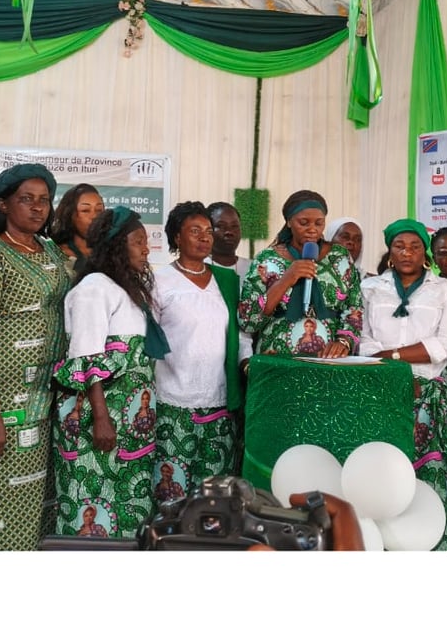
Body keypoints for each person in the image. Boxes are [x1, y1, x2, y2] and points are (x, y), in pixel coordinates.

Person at [0, 163, 71, 551]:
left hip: (46, 402)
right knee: (3, 516)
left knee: (41, 516)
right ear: (3, 204)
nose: (38, 208)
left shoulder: (49, 248)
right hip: (3, 407)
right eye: (27, 199)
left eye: (45, 200)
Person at [359, 218, 447, 550]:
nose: (407, 252)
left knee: (428, 470)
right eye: (399, 246)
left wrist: (392, 357)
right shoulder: (370, 288)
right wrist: (393, 369)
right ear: (390, 251)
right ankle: (383, 539)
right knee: (385, 468)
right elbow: (362, 340)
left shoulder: (444, 289)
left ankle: (436, 539)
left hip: (428, 391)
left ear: (425, 252)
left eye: (414, 246)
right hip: (380, 388)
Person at [53, 206, 167, 538]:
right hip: (100, 421)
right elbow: (86, 358)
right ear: (117, 245)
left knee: (127, 503)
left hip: (130, 424)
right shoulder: (94, 288)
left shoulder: (128, 290)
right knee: (92, 500)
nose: (146, 249)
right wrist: (101, 420)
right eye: (138, 241)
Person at [154, 201, 253, 498]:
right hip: (172, 404)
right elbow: (148, 340)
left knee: (215, 497)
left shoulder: (226, 280)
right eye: (194, 231)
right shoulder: (159, 280)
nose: (204, 237)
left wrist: (248, 363)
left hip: (219, 404)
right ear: (177, 237)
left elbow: (241, 334)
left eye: (208, 231)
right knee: (172, 495)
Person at [239, 190, 362, 358]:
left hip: (328, 360)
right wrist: (287, 279)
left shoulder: (340, 257)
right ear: (289, 222)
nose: (312, 229)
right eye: (303, 223)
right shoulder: (266, 259)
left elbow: (354, 307)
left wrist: (344, 342)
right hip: (277, 358)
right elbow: (247, 320)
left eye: (319, 223)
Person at [52, 183, 105, 275]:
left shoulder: (112, 250)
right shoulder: (59, 254)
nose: (94, 216)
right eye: (85, 210)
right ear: (69, 214)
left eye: (99, 210)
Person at [206, 201, 251, 282]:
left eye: (234, 226)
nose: (229, 232)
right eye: (221, 226)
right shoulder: (198, 268)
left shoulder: (253, 268)